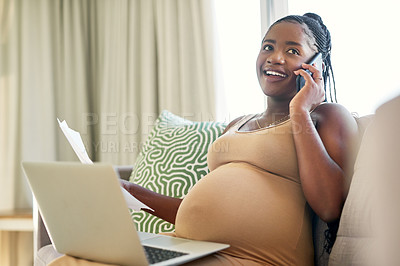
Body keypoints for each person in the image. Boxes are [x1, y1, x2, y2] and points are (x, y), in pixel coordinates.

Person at [50, 13, 359, 266]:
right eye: (267, 46)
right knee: (68, 260)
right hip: (194, 249)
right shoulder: (238, 124)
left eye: (292, 50)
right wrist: (132, 192)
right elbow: (197, 209)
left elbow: (330, 205)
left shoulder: (325, 116)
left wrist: (299, 111)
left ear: (316, 65)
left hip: (255, 258)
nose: (275, 57)